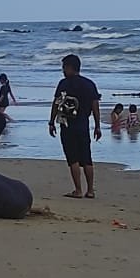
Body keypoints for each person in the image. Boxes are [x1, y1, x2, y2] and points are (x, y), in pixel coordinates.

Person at [48, 54, 102, 199]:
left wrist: (51, 122)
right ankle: (90, 190)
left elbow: (56, 103)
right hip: (84, 125)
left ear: (70, 67)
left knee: (73, 159)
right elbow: (95, 107)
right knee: (87, 158)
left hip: (67, 125)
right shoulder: (89, 84)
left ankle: (78, 190)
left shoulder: (64, 84)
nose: (63, 71)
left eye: (64, 67)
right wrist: (97, 126)